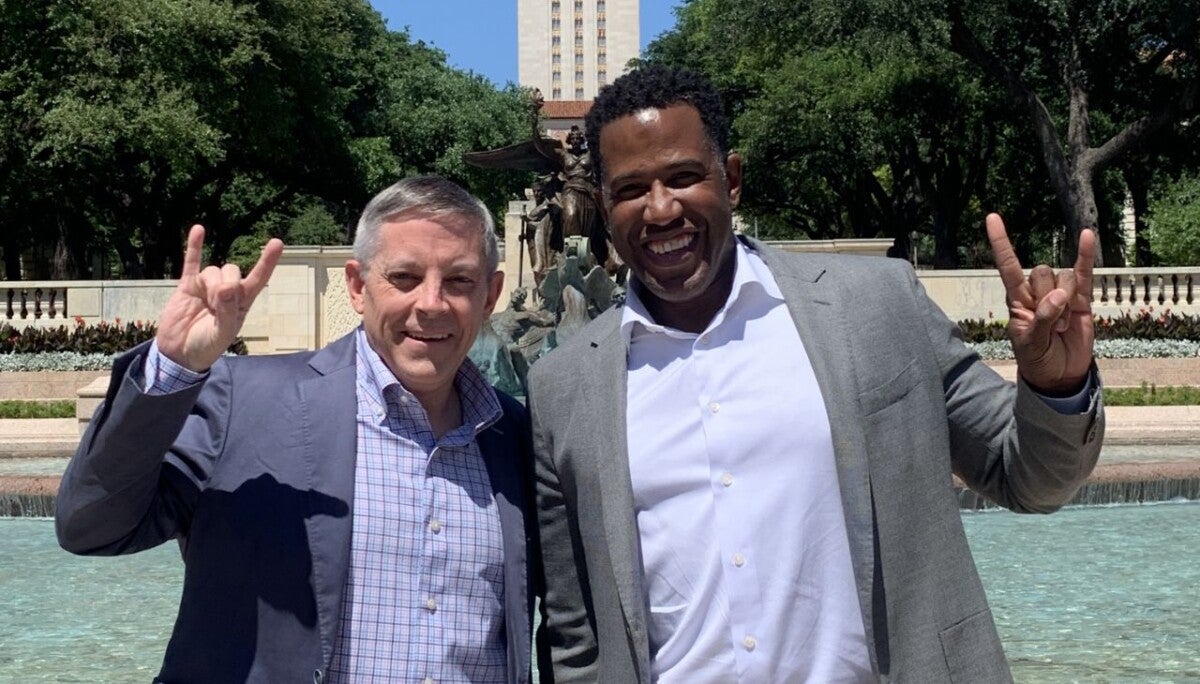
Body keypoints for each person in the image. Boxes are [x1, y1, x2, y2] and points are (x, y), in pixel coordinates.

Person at [528, 65, 1103, 682]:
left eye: (685, 177)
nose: (661, 208)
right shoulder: (563, 390)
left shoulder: (878, 306)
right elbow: (574, 634)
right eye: (631, 189)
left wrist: (1054, 386)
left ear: (733, 179)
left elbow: (1030, 479)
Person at [57, 176, 542, 683]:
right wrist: (175, 368)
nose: (432, 303)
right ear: (357, 287)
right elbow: (92, 528)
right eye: (404, 277)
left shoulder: (517, 437)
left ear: (491, 295)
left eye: (460, 281)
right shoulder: (241, 400)